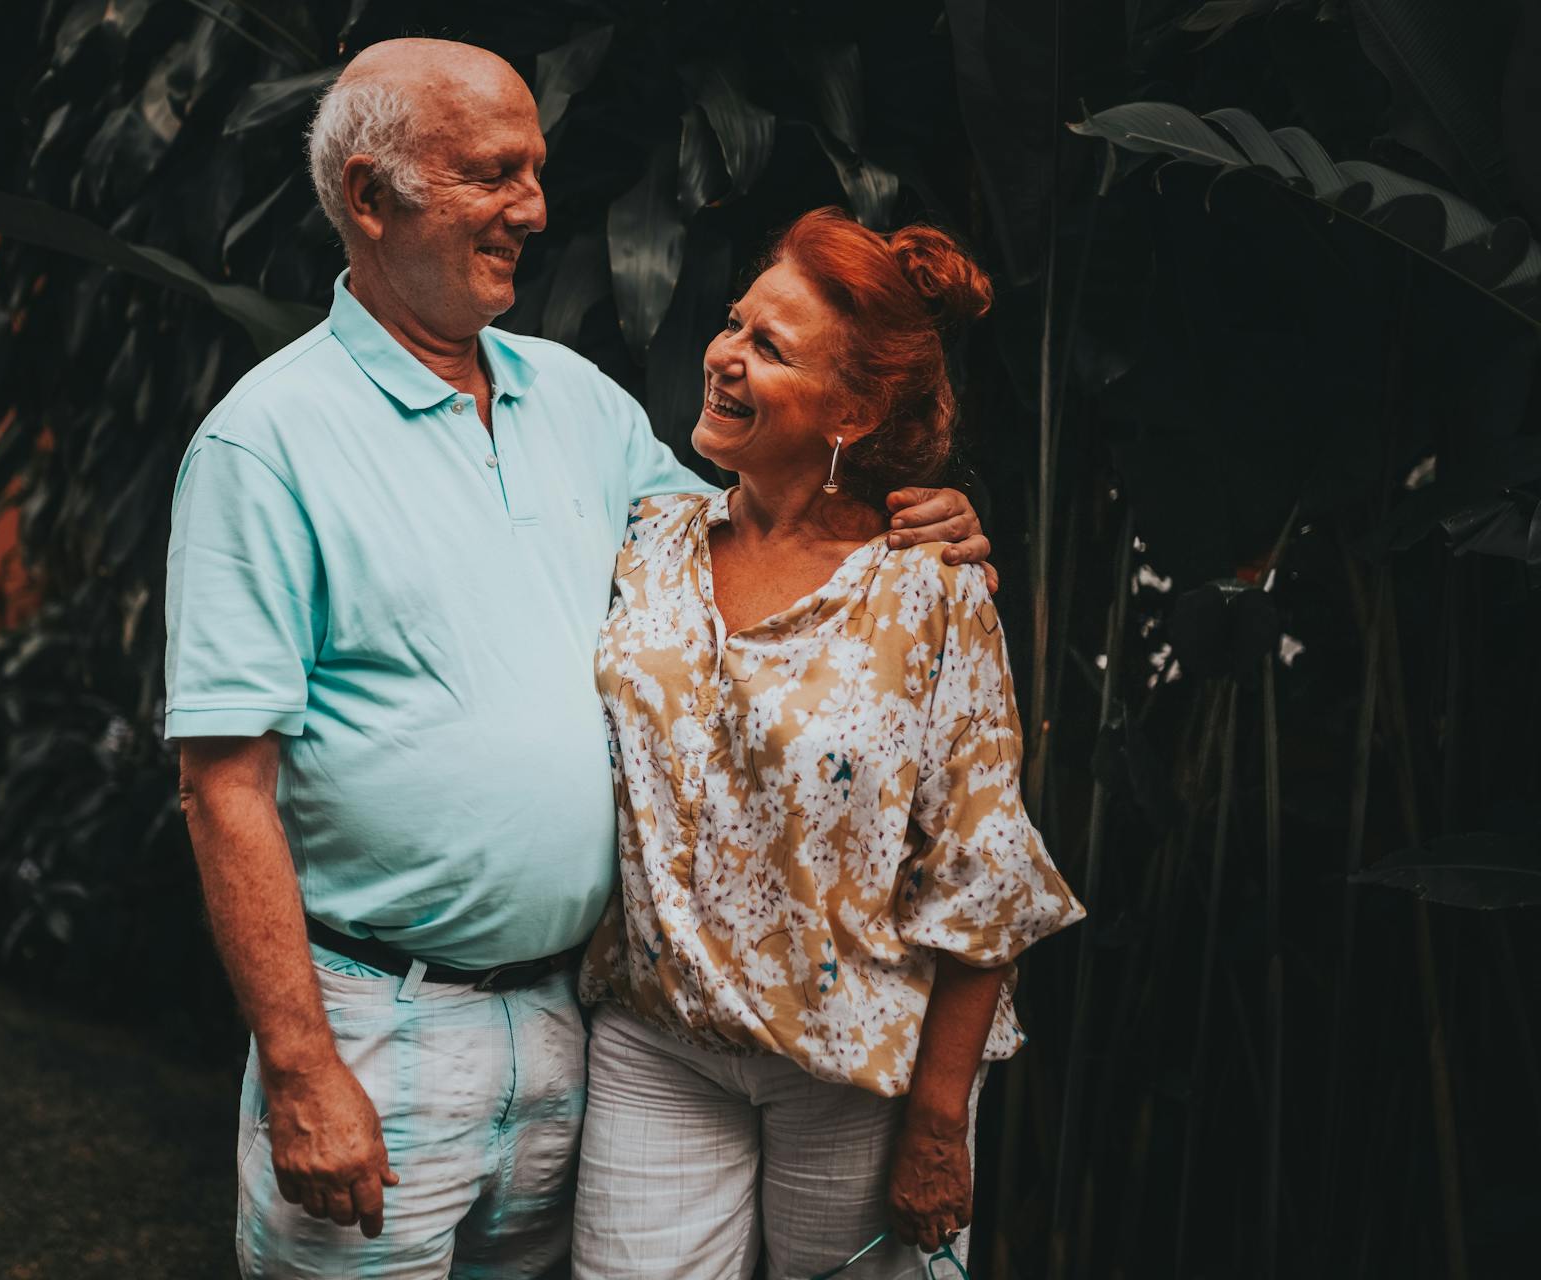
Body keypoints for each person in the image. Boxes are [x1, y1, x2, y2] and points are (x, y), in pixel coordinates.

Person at [165, 39, 996, 1279]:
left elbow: (758, 546)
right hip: (377, 1030)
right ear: (372, 197)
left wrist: (909, 518)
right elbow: (223, 781)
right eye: (494, 174)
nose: (536, 210)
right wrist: (299, 1064)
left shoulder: (579, 404)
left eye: (535, 171)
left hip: (578, 1032)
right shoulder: (267, 444)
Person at [569, 209, 1085, 1280]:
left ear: (852, 409)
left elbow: (983, 874)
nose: (724, 355)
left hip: (861, 1075)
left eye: (770, 347)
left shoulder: (929, 588)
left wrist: (940, 1124)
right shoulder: (652, 542)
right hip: (658, 1042)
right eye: (733, 324)